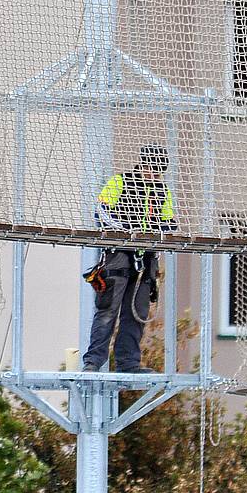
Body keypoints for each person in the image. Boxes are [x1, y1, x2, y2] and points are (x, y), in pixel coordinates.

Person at [82, 144, 177, 373]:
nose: (153, 175)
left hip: (145, 261)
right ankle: (93, 361)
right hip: (119, 256)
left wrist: (154, 235)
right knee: (107, 310)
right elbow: (101, 212)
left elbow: (170, 222)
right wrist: (126, 231)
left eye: (157, 171)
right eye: (150, 169)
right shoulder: (121, 182)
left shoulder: (161, 191)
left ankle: (128, 363)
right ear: (142, 164)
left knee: (136, 314)